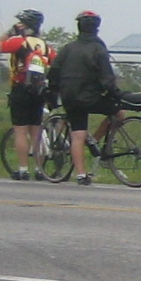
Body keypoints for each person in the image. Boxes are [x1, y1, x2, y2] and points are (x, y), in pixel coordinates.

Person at [48, 10, 119, 186]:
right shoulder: (98, 48)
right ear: (97, 28)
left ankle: (81, 175)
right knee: (119, 113)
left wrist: (54, 91)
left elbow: (54, 71)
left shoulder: (68, 48)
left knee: (77, 134)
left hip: (69, 97)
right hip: (90, 97)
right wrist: (115, 93)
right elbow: (107, 77)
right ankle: (94, 140)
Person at [0, 9, 54, 180]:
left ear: (25, 26)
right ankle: (40, 169)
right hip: (39, 91)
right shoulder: (46, 46)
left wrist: (10, 32)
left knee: (20, 131)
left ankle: (23, 169)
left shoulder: (18, 42)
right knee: (36, 132)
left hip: (20, 88)